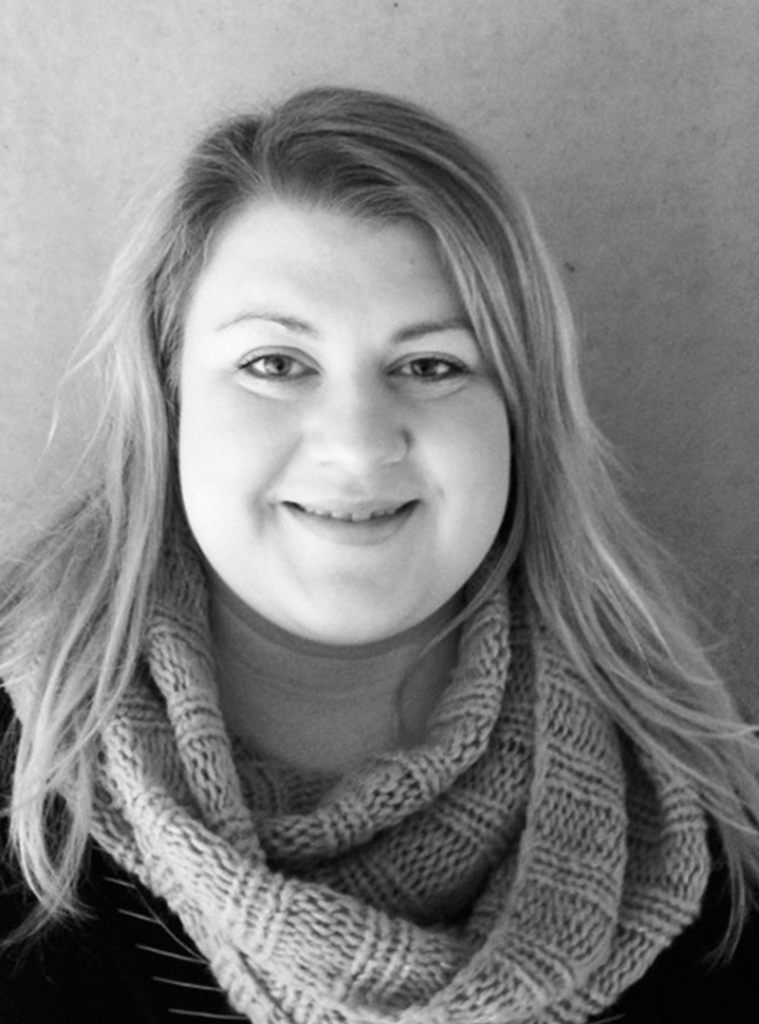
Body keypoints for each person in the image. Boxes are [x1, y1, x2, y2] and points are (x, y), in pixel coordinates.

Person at [1, 86, 758, 1024]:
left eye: (431, 366)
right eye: (275, 364)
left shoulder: (696, 814)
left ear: (520, 417)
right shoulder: (24, 774)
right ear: (169, 399)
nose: (358, 445)